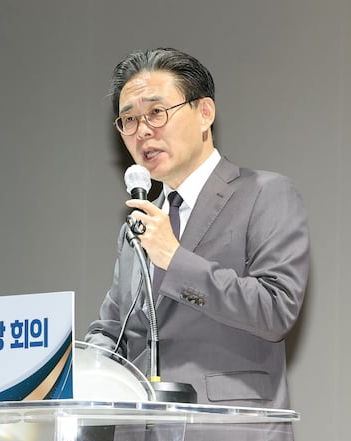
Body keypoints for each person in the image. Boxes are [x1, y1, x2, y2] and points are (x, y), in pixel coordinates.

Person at [85, 48, 309, 440]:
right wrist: (75, 365)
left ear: (204, 113)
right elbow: (115, 328)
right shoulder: (140, 223)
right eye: (129, 119)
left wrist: (174, 259)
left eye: (156, 112)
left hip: (226, 428)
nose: (142, 131)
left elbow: (276, 310)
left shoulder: (265, 194)